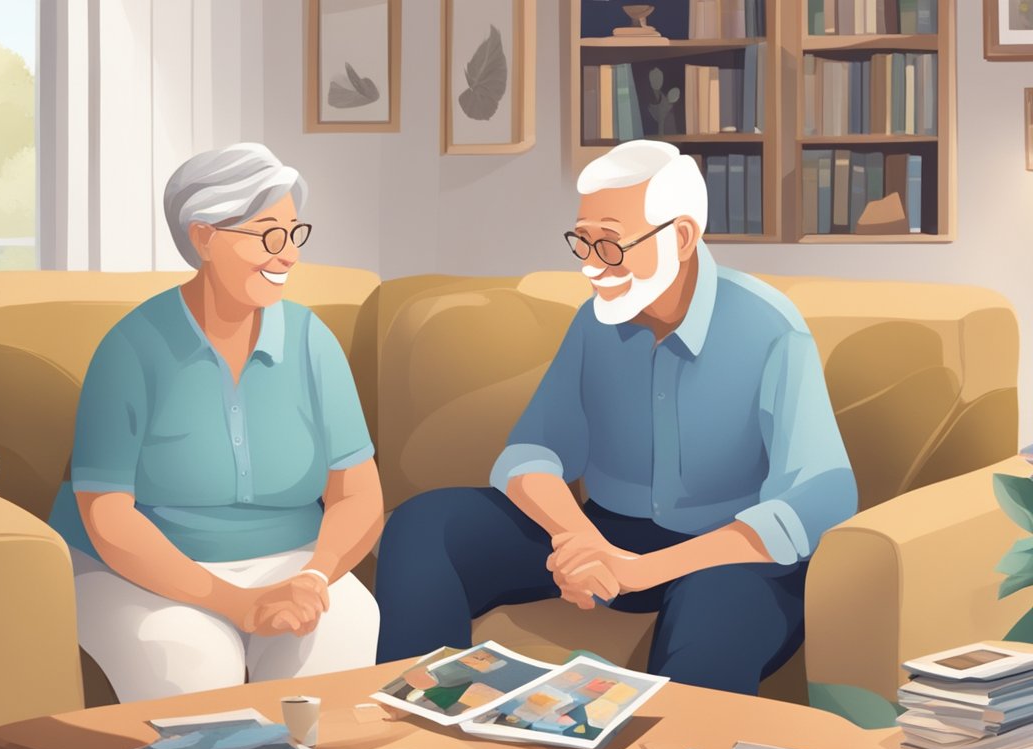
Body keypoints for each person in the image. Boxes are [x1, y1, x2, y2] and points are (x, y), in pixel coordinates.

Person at [374, 140, 857, 696]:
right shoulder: (595, 323)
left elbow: (820, 496)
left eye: (608, 243)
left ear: (680, 237)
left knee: (714, 617)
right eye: (582, 241)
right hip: (605, 527)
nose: (589, 264)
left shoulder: (771, 328)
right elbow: (532, 451)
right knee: (424, 523)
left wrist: (638, 572)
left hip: (729, 555)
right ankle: (424, 722)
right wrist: (581, 541)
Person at [47, 143, 383, 702]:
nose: (288, 256)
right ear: (204, 237)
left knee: (345, 628)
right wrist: (236, 605)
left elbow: (357, 492)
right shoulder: (132, 347)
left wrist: (314, 576)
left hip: (292, 558)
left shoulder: (310, 341)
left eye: (294, 235)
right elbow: (107, 516)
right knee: (193, 658)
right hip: (139, 569)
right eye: (268, 235)